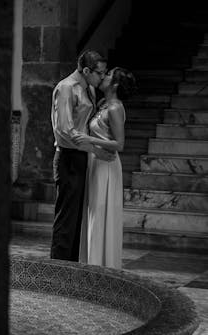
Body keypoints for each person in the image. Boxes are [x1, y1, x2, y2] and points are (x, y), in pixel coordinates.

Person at [50, 50, 115, 262]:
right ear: (86, 70)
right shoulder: (67, 88)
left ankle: (72, 268)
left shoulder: (90, 89)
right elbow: (65, 132)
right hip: (68, 157)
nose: (102, 77)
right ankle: (58, 269)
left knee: (78, 218)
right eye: (100, 73)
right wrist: (95, 149)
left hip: (81, 157)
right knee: (66, 217)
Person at [74, 67, 137, 269]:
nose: (103, 76)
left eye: (108, 75)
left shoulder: (115, 108)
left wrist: (88, 138)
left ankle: (103, 266)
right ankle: (91, 263)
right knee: (93, 210)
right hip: (95, 162)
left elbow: (120, 145)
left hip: (107, 165)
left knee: (101, 211)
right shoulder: (102, 104)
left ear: (115, 85)